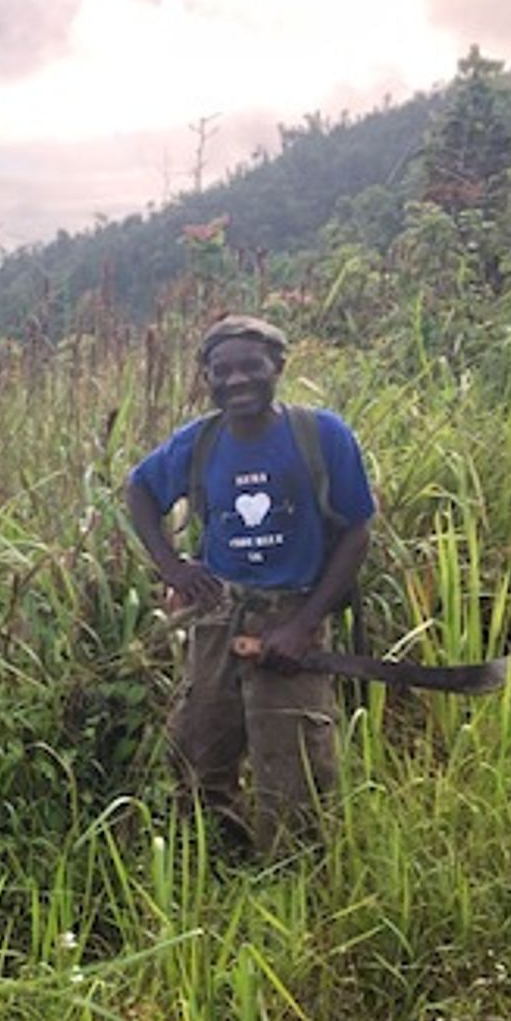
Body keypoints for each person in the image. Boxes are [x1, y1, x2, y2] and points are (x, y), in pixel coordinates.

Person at [124, 315, 375, 850]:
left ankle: (293, 887)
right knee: (199, 756)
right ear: (206, 377)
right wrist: (173, 568)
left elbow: (357, 532)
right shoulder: (199, 442)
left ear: (277, 368)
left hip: (292, 617)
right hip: (217, 619)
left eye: (250, 367)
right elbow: (139, 490)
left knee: (295, 773)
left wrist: (306, 625)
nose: (236, 380)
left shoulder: (321, 435)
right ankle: (219, 866)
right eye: (222, 370)